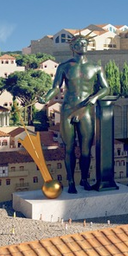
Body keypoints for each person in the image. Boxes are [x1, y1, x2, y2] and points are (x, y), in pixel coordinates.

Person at [41, 33, 110, 194]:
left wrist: (95, 97)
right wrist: (45, 98)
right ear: (72, 47)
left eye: (85, 43)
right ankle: (71, 182)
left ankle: (84, 180)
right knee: (69, 148)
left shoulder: (96, 67)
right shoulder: (64, 67)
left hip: (86, 110)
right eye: (79, 43)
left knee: (86, 150)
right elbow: (56, 87)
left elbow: (106, 88)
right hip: (68, 110)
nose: (83, 46)